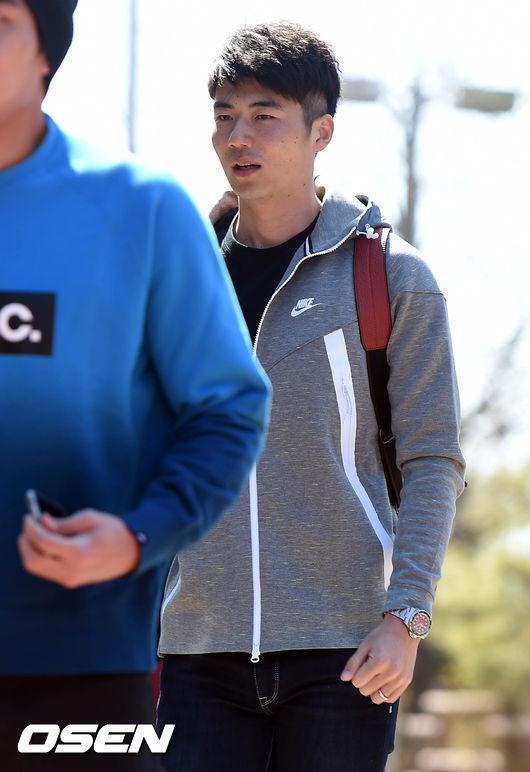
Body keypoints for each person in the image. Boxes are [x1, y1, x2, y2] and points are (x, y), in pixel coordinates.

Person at [156, 21, 466, 772]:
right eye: (225, 115)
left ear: (321, 132)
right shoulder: (178, 281)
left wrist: (406, 616)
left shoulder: (391, 277)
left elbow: (433, 460)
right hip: (196, 653)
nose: (239, 136)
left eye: (265, 115)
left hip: (345, 653)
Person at [0, 2, 271, 770]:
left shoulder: (139, 207)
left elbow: (228, 408)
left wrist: (139, 535)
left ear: (46, 51)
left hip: (73, 669)